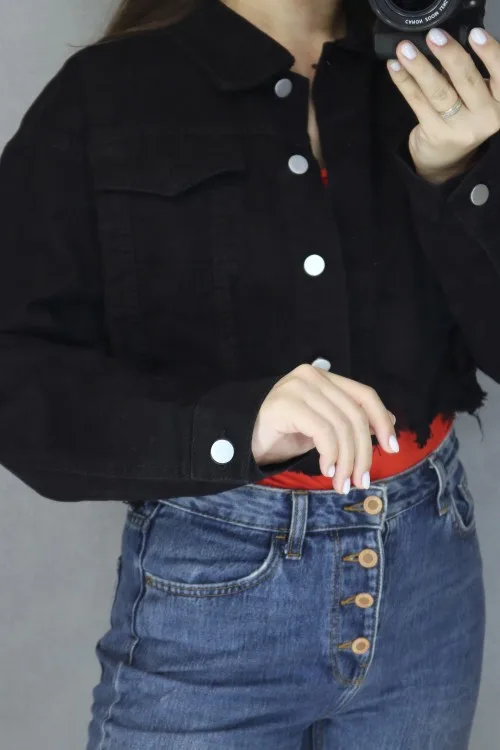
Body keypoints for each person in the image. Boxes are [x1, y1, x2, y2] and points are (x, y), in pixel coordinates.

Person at [0, 0, 498, 746]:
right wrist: (237, 425)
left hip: (430, 580)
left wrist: (462, 176)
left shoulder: (443, 79)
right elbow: (17, 371)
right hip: (212, 585)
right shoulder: (105, 94)